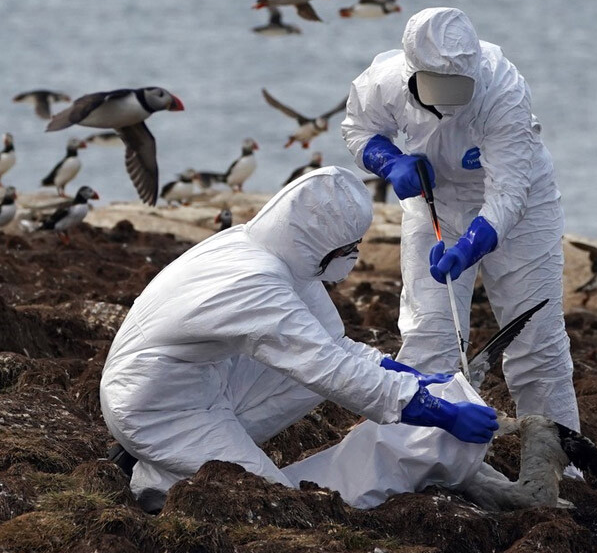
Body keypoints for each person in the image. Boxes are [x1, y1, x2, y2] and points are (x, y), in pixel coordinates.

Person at [100, 166, 499, 511]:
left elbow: (333, 345)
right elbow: (327, 367)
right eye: (349, 248)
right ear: (320, 241)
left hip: (197, 377)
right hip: (154, 406)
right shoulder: (256, 285)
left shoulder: (278, 252)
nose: (354, 256)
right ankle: (158, 467)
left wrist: (409, 378)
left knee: (304, 377)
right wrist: (437, 412)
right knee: (268, 499)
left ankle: (157, 473)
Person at [342, 7, 580, 433]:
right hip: (434, 202)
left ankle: (557, 459)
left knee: (536, 342)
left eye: (458, 87)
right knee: (429, 336)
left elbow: (509, 190)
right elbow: (358, 128)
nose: (449, 99)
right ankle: (416, 456)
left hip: (523, 209)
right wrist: (389, 161)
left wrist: (472, 244)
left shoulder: (503, 88)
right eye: (437, 86)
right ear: (412, 71)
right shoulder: (383, 81)